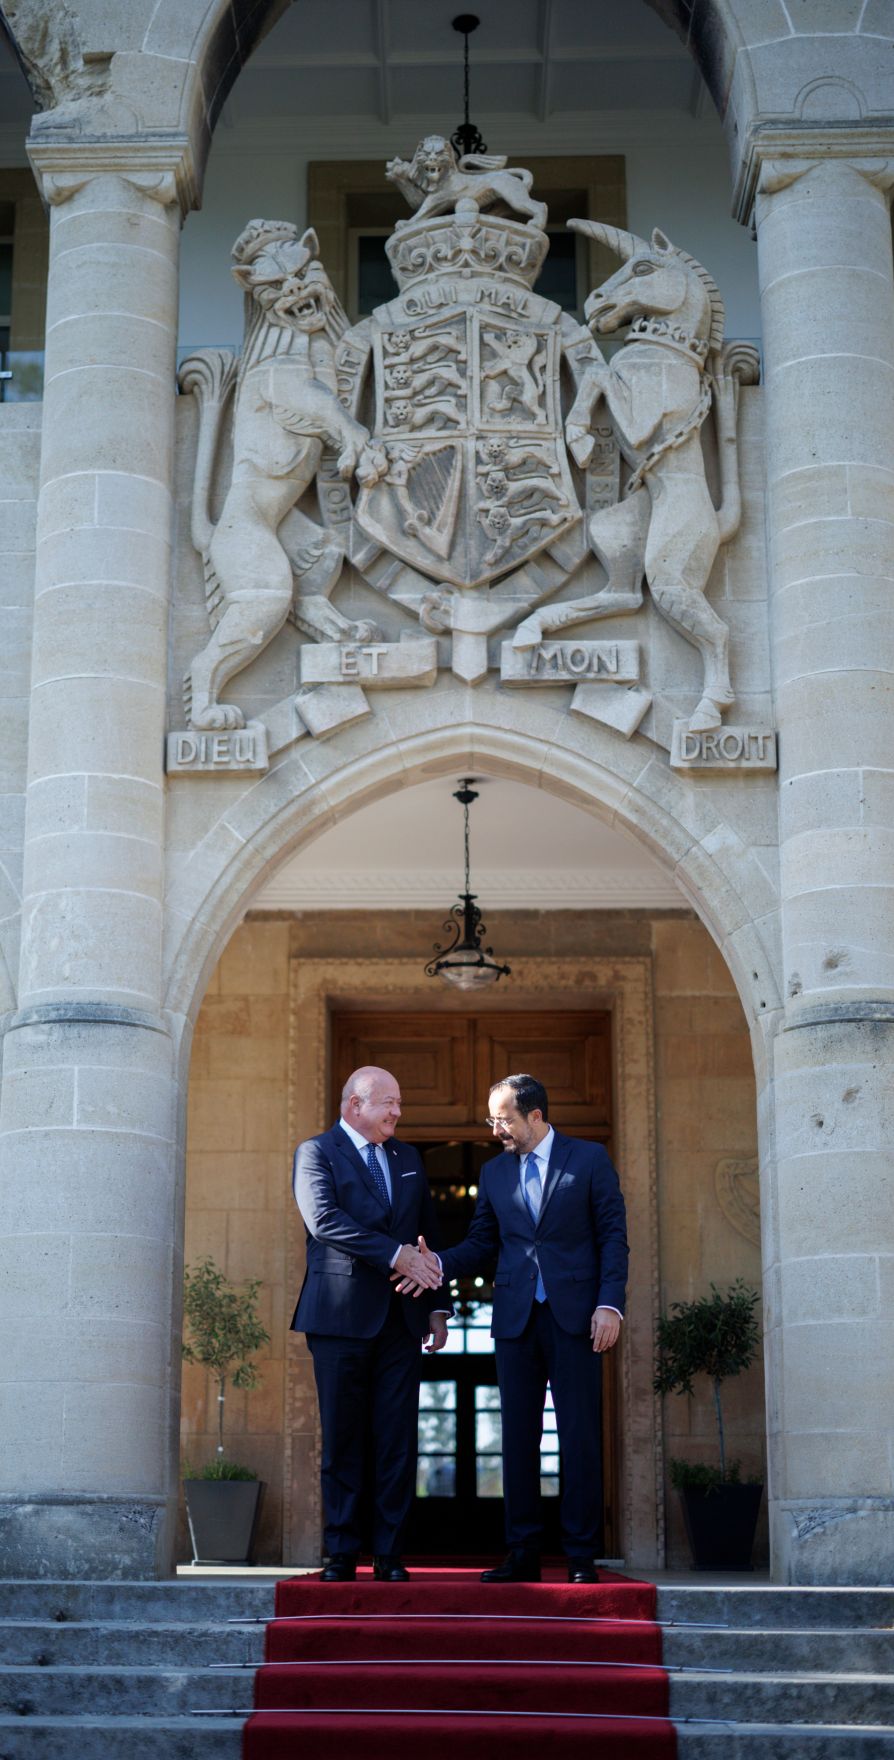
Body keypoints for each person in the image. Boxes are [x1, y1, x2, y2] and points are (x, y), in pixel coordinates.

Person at [397, 1072, 628, 1584]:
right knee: (517, 1439)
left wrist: (609, 1305)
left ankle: (581, 1556)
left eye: (503, 1119)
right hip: (514, 1319)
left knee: (579, 1437)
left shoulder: (589, 1160)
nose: (495, 1128)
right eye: (491, 1119)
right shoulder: (495, 1173)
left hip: (577, 1319)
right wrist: (435, 1263)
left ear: (536, 1117)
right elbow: (482, 1242)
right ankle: (522, 1551)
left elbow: (613, 1236)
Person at [291, 1064, 450, 1582]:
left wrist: (436, 1306)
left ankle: (389, 1553)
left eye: (399, 1103)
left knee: (396, 1440)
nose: (398, 1113)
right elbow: (324, 1221)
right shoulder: (316, 1153)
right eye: (390, 1103)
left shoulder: (407, 1158)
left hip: (402, 1320)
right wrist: (395, 1255)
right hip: (339, 1318)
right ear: (354, 1105)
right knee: (343, 1438)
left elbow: (427, 1232)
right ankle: (340, 1552)